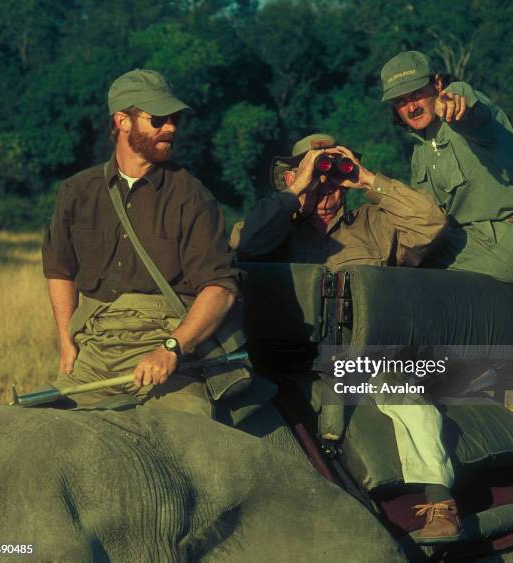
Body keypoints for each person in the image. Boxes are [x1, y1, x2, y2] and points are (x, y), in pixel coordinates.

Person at [230, 133, 461, 543]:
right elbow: (244, 244)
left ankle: (440, 503)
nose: (325, 190)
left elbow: (431, 222)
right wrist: (295, 193)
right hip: (289, 359)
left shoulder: (373, 226)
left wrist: (368, 179)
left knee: (416, 408)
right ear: (292, 178)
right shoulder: (276, 229)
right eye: (315, 177)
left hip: (363, 360)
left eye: (333, 180)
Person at [42, 69, 246, 417]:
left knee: (192, 447)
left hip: (168, 360)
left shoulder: (193, 197)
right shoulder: (77, 191)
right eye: (158, 119)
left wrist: (171, 348)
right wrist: (66, 340)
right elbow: (60, 269)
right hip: (94, 356)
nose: (171, 128)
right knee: (39, 434)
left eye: (175, 119)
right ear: (122, 121)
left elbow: (220, 290)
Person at [380, 50, 513, 283]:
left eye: (416, 93)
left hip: (505, 236)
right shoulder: (420, 152)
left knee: (407, 281)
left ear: (437, 84)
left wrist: (458, 99)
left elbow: (471, 108)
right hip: (460, 242)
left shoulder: (464, 114)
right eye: (400, 101)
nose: (410, 106)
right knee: (386, 259)